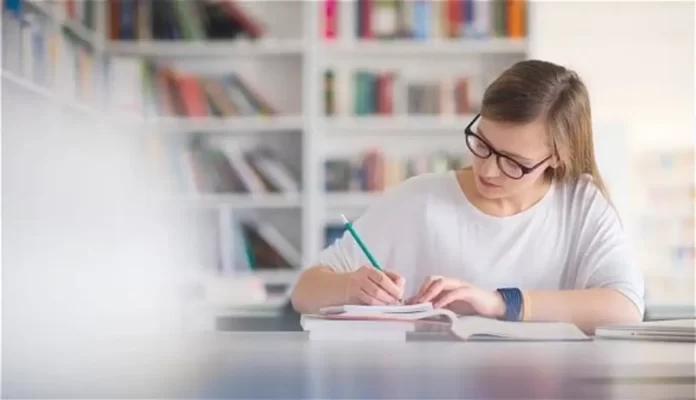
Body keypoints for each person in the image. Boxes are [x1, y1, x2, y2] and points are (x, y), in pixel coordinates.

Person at [291, 59, 645, 333]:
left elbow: (625, 306)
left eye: (514, 162)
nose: (488, 170)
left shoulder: (580, 204)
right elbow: (304, 292)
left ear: (557, 156)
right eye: (483, 144)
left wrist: (500, 303)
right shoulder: (421, 199)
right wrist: (351, 287)